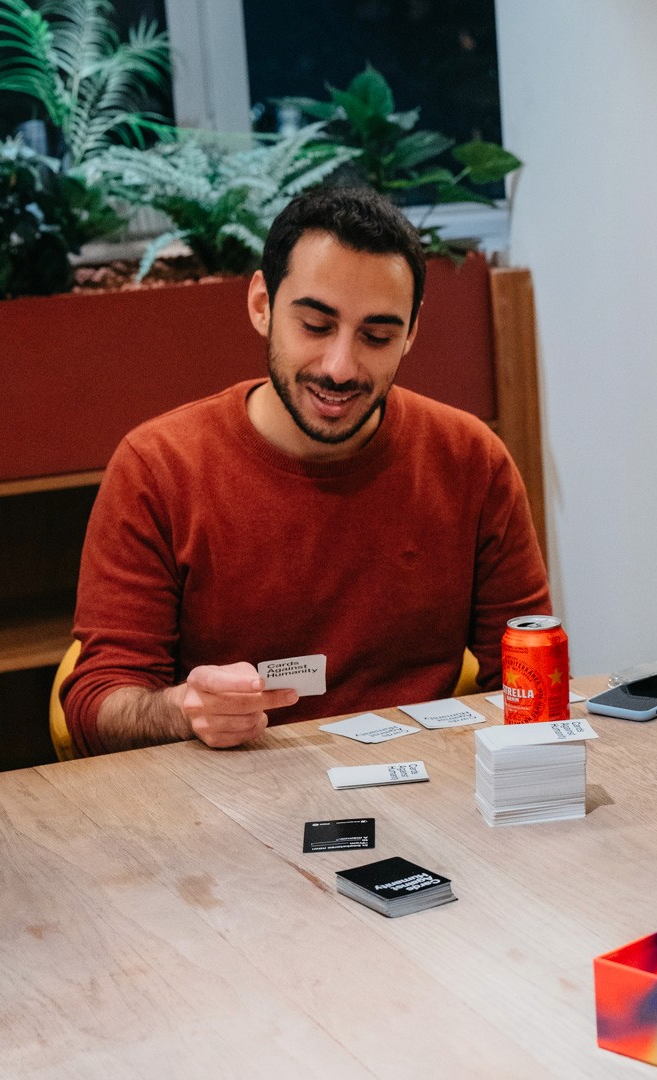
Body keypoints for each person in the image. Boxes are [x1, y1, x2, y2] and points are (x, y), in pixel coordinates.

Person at [62, 187, 550, 755]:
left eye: (377, 337)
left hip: (426, 782)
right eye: (316, 326)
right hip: (228, 791)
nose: (340, 368)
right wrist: (182, 709)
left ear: (411, 333)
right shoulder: (159, 467)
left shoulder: (471, 460)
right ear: (261, 305)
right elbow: (94, 706)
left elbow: (527, 671)